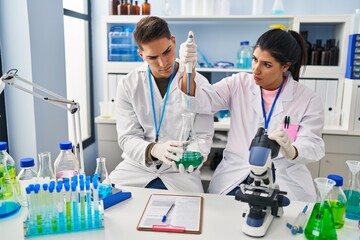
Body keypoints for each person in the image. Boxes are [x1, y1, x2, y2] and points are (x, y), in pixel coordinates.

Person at [179, 28, 325, 202]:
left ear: (285, 66)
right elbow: (200, 102)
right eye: (255, 59)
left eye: (267, 64)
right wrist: (189, 68)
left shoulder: (307, 99)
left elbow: (315, 145)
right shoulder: (239, 83)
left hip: (282, 178)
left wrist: (292, 150)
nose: (256, 69)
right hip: (236, 175)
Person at [109, 16, 214, 193]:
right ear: (141, 55)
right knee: (105, 201)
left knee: (191, 213)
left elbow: (203, 135)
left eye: (167, 52)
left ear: (173, 42)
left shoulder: (199, 83)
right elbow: (127, 137)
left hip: (180, 170)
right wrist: (155, 150)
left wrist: (193, 157)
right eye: (152, 57)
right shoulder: (128, 84)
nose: (163, 63)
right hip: (136, 168)